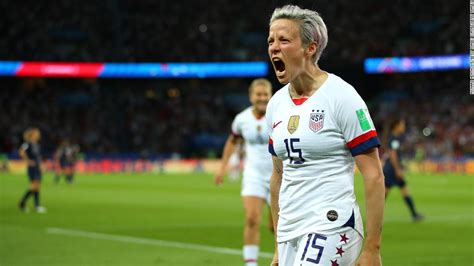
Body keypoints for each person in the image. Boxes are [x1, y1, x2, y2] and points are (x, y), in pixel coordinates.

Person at [266, 5, 385, 266]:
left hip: (333, 224)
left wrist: (372, 248)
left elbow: (374, 174)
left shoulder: (342, 96)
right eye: (271, 40)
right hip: (289, 231)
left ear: (310, 48)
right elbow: (277, 176)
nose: (274, 47)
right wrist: (277, 244)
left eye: (284, 40)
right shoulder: (276, 105)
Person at [214, 78, 274, 266]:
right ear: (250, 96)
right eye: (258, 94)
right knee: (251, 218)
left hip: (278, 177)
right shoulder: (242, 119)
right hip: (253, 175)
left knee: (277, 226)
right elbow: (232, 141)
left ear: (271, 95)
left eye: (265, 94)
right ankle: (251, 263)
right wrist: (222, 168)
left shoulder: (278, 115)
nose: (262, 98)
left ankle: (283, 259)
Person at [383, 117, 424, 222]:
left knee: (404, 190)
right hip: (391, 170)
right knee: (384, 195)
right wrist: (397, 169)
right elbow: (393, 155)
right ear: (396, 126)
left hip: (393, 169)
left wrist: (401, 166)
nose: (403, 127)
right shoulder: (394, 138)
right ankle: (373, 214)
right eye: (402, 125)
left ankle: (414, 214)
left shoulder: (396, 138)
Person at [18, 127, 46, 213]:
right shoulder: (27, 143)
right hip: (32, 167)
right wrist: (28, 161)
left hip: (37, 167)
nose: (38, 135)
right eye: (37, 133)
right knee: (34, 186)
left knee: (37, 187)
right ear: (33, 134)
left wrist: (41, 165)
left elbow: (38, 157)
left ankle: (37, 206)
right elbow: (21, 151)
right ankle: (22, 203)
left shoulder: (37, 144)